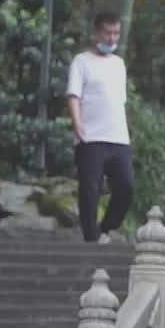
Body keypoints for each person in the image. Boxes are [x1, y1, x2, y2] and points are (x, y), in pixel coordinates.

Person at [67, 15, 134, 244]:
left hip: (119, 138)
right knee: (90, 190)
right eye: (107, 33)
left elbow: (119, 102)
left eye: (116, 33)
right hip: (90, 137)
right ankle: (91, 238)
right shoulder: (81, 61)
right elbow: (74, 96)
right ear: (96, 33)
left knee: (126, 186)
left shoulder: (119, 64)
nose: (112, 38)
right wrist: (78, 126)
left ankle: (106, 228)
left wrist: (126, 131)